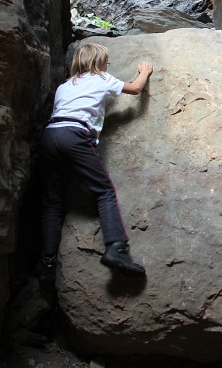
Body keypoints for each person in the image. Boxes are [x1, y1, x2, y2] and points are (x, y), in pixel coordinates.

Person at [37, 42, 153, 278]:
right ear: (100, 63)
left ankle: (47, 262)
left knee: (52, 201)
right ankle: (116, 248)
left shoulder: (64, 86)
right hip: (75, 135)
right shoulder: (102, 78)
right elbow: (134, 89)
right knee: (104, 191)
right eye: (106, 62)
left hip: (50, 136)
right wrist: (144, 72)